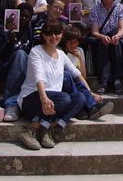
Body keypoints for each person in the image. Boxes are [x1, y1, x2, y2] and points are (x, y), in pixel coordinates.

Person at [17, 21, 88, 150]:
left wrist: (90, 93)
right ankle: (30, 131)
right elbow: (39, 77)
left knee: (80, 98)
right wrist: (44, 99)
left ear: (61, 34)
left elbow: (77, 74)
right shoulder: (36, 51)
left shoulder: (61, 55)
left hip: (54, 103)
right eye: (49, 33)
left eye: (57, 33)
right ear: (43, 35)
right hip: (32, 98)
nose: (53, 36)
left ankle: (46, 128)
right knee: (65, 98)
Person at [90, 0, 123, 95]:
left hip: (118, 38)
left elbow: (122, 28)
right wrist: (102, 37)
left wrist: (117, 36)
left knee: (115, 44)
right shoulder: (95, 9)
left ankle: (117, 80)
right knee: (103, 44)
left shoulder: (121, 8)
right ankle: (103, 82)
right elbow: (94, 31)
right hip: (102, 38)